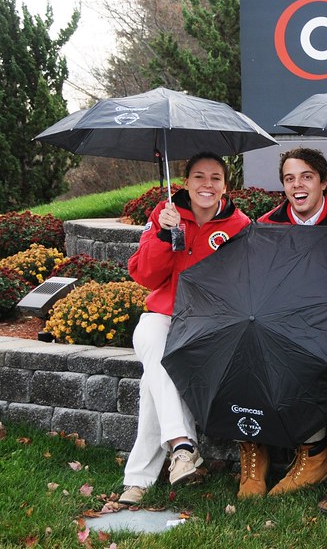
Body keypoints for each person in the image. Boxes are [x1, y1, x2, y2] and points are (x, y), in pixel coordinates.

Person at [235, 148, 327, 502]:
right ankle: (254, 448)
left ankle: (313, 454)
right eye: (289, 179)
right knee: (244, 342)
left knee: (324, 357)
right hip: (284, 323)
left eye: (306, 177)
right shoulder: (268, 227)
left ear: (324, 182)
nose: (298, 185)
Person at [119, 153, 251, 506]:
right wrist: (163, 232)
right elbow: (145, 276)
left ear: (226, 184)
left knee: (153, 377)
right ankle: (182, 445)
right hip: (165, 314)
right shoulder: (166, 215)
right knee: (149, 337)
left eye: (215, 178)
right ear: (186, 182)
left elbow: (246, 285)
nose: (206, 185)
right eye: (198, 177)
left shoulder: (240, 226)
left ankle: (139, 480)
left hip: (210, 323)